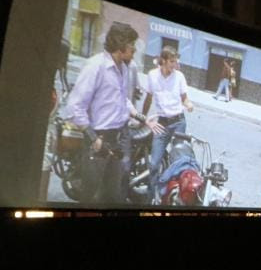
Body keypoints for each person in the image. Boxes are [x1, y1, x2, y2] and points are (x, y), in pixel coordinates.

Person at [63, 22, 147, 204]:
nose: (134, 50)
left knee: (112, 195)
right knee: (91, 196)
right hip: (98, 139)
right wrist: (94, 138)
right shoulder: (96, 66)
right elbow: (75, 106)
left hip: (116, 139)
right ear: (120, 44)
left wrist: (140, 117)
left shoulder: (123, 68)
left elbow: (122, 100)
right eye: (132, 45)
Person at [142, 48, 193, 203]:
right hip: (162, 123)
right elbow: (148, 98)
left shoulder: (179, 76)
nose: (175, 64)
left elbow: (184, 98)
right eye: (172, 61)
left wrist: (188, 104)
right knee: (153, 164)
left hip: (178, 123)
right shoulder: (152, 75)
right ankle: (150, 199)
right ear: (163, 61)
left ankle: (173, 198)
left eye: (176, 61)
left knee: (179, 162)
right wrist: (143, 118)